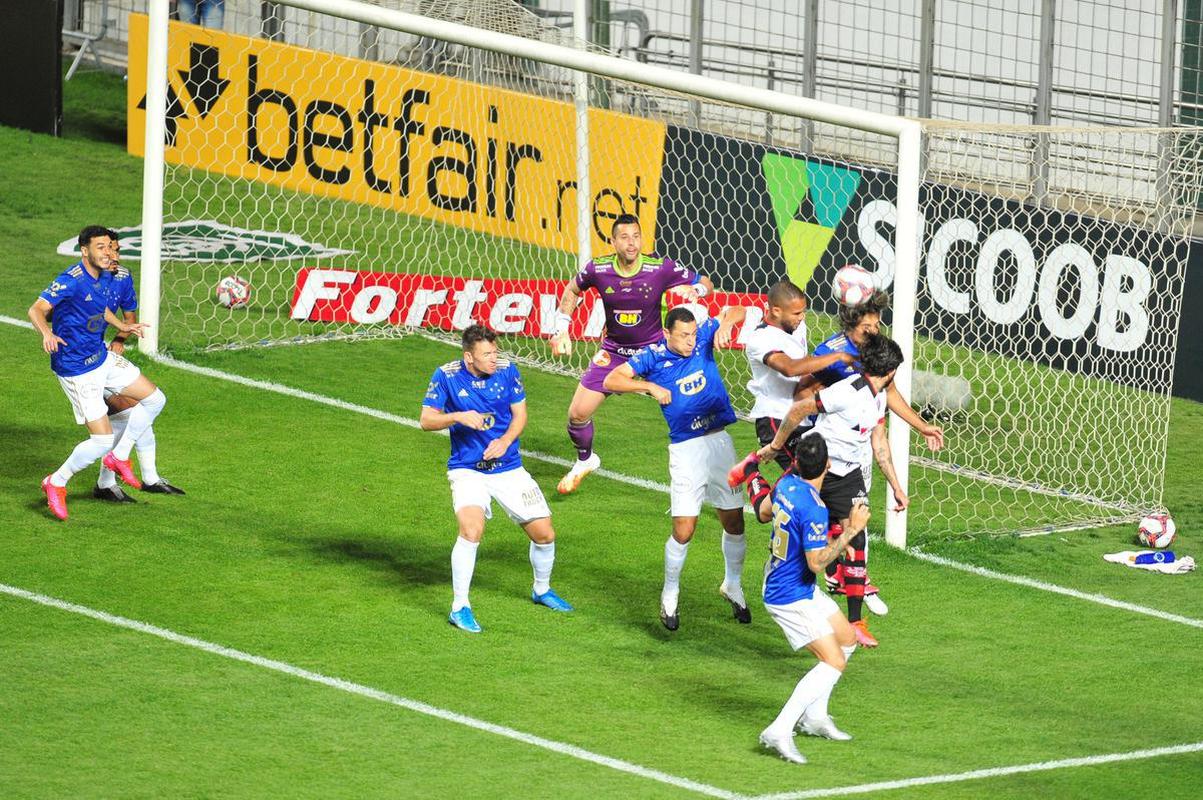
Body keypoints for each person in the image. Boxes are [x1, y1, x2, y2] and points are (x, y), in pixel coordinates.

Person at [736, 333, 909, 647]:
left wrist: (897, 486)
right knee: (764, 514)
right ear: (891, 371)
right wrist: (776, 446)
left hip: (847, 475)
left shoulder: (879, 397)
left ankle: (855, 621)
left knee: (857, 538)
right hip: (816, 465)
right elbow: (801, 409)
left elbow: (879, 443)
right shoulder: (848, 391)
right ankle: (750, 472)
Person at [603, 304, 748, 631]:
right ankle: (670, 592)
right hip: (686, 449)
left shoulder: (702, 338)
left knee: (735, 520)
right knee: (685, 528)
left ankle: (733, 584)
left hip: (720, 442)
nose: (689, 341)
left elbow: (739, 310)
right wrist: (648, 386)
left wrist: (725, 323)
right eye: (683, 335)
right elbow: (613, 379)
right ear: (667, 333)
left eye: (693, 334)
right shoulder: (651, 357)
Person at [420, 324, 573, 634]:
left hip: (508, 467)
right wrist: (457, 416)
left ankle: (541, 590)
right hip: (467, 470)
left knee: (545, 535)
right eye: (486, 354)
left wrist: (505, 441)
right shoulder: (446, 375)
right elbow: (426, 420)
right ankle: (459, 606)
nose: (494, 358)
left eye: (495, 351)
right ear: (468, 357)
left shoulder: (507, 370)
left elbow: (520, 415)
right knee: (472, 530)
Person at [550, 214, 714, 495]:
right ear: (612, 241)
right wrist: (561, 329)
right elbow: (572, 290)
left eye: (636, 236)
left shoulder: (659, 267)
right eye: (624, 237)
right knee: (577, 414)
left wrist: (695, 290)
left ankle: (708, 471)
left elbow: (706, 282)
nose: (631, 243)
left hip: (653, 352)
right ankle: (585, 461)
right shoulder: (598, 268)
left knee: (695, 408)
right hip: (614, 352)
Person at [29, 225, 166, 521]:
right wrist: (45, 332)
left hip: (100, 358)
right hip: (77, 368)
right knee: (101, 440)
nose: (109, 252)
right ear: (84, 250)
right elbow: (36, 310)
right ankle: (56, 481)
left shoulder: (106, 277)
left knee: (155, 399)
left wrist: (121, 328)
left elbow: (99, 308)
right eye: (101, 247)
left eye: (111, 247)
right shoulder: (71, 280)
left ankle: (119, 457)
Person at [754, 431, 870, 765]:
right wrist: (850, 530)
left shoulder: (787, 485)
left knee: (847, 639)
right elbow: (816, 563)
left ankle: (815, 717)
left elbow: (765, 513)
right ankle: (779, 729)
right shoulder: (815, 508)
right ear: (828, 465)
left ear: (796, 462)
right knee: (833, 660)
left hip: (792, 583)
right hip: (788, 595)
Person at [94, 232, 184, 501]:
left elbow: (129, 313)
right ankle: (107, 478)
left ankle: (147, 478)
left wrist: (120, 338)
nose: (114, 256)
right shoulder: (84, 282)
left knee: (143, 409)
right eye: (108, 249)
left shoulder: (121, 276)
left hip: (104, 356)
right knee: (131, 412)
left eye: (117, 249)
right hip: (82, 361)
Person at [742, 280, 854, 471]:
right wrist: (838, 356)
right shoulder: (759, 339)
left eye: (803, 311)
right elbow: (790, 368)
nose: (802, 317)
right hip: (775, 417)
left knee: (819, 479)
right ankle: (752, 476)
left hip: (803, 414)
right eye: (797, 313)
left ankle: (751, 472)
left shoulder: (795, 326)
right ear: (776, 311)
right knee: (807, 478)